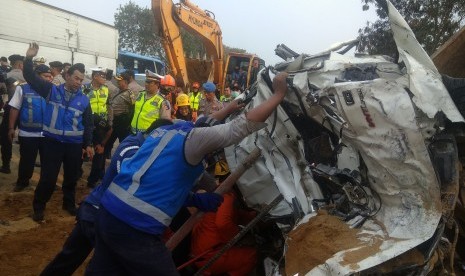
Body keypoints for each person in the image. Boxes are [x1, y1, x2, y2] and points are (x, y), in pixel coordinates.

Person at [85, 71, 289, 275]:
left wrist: (192, 199)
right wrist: (278, 95)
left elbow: (157, 182)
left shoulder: (164, 133)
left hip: (108, 212)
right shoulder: (195, 139)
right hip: (136, 226)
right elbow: (240, 127)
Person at [40, 118, 173, 276]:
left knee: (70, 257)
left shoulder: (144, 146)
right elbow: (131, 179)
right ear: (159, 135)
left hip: (95, 211)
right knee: (104, 265)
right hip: (101, 214)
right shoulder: (133, 147)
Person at [24, 42, 94, 222]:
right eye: (76, 78)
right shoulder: (51, 90)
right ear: (67, 76)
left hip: (74, 146)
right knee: (48, 178)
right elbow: (30, 76)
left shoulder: (84, 100)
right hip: (52, 143)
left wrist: (88, 144)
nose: (79, 82)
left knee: (71, 178)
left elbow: (88, 123)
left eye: (81, 79)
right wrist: (29, 58)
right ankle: (39, 207)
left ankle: (68, 204)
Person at [191, 190, 257, 276]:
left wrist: (251, 216)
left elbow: (234, 214)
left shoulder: (220, 192)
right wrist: (240, 236)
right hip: (210, 256)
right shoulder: (227, 195)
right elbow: (223, 224)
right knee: (251, 256)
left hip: (201, 252)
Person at [7, 64, 52, 191]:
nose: (49, 79)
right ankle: (23, 182)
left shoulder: (53, 90)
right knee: (27, 161)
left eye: (50, 76)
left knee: (48, 162)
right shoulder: (23, 89)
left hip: (48, 134)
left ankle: (47, 183)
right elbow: (15, 108)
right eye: (46, 76)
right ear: (36, 76)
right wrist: (11, 128)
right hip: (28, 133)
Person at [85, 68, 112, 188]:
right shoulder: (84, 88)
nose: (105, 78)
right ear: (95, 76)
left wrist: (110, 122)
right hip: (86, 123)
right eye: (102, 76)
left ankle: (93, 180)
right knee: (82, 150)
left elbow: (109, 106)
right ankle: (75, 174)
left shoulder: (106, 90)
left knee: (99, 152)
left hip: (100, 125)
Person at [104, 71, 135, 159]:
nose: (117, 82)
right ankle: (106, 155)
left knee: (124, 142)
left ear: (125, 82)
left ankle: (124, 158)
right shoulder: (116, 90)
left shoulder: (129, 94)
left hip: (122, 122)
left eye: (119, 81)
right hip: (113, 120)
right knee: (108, 141)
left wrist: (128, 122)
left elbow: (133, 108)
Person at [0, 77, 19, 173]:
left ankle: (6, 166)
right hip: (18, 113)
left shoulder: (12, 88)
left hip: (11, 113)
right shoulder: (19, 86)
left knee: (6, 140)